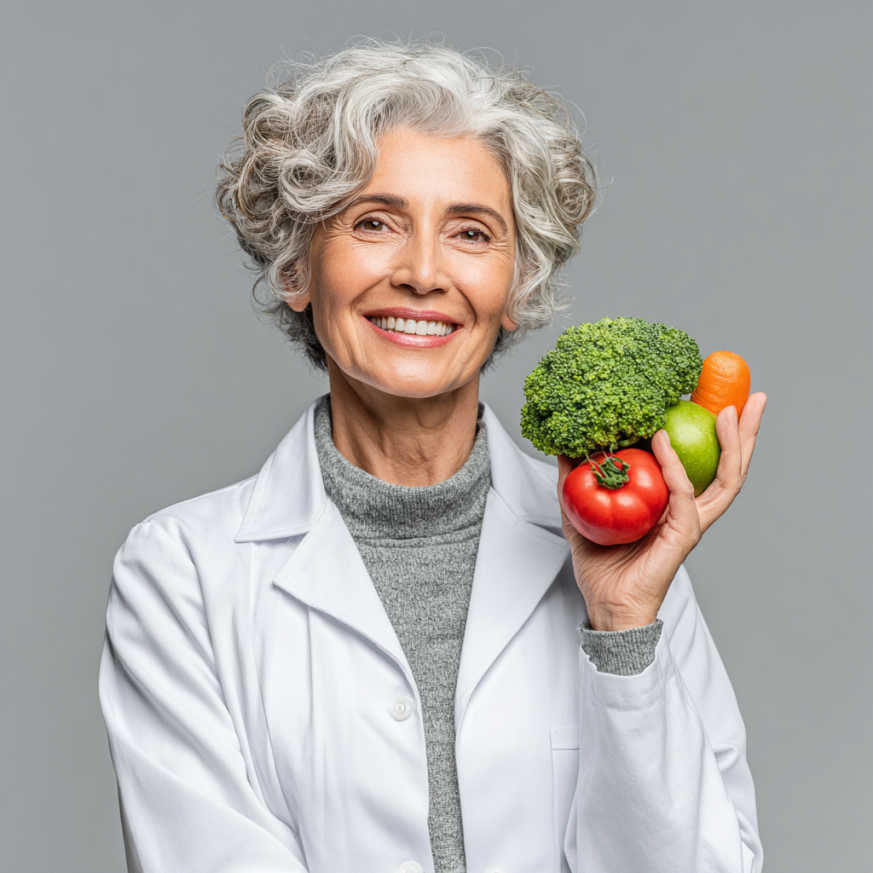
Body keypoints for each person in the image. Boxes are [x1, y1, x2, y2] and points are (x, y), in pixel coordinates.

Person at [99, 40, 766, 873]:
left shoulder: (625, 559)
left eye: (470, 232)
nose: (421, 272)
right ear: (297, 266)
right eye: (374, 222)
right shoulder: (181, 573)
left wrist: (623, 626)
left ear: (514, 289)